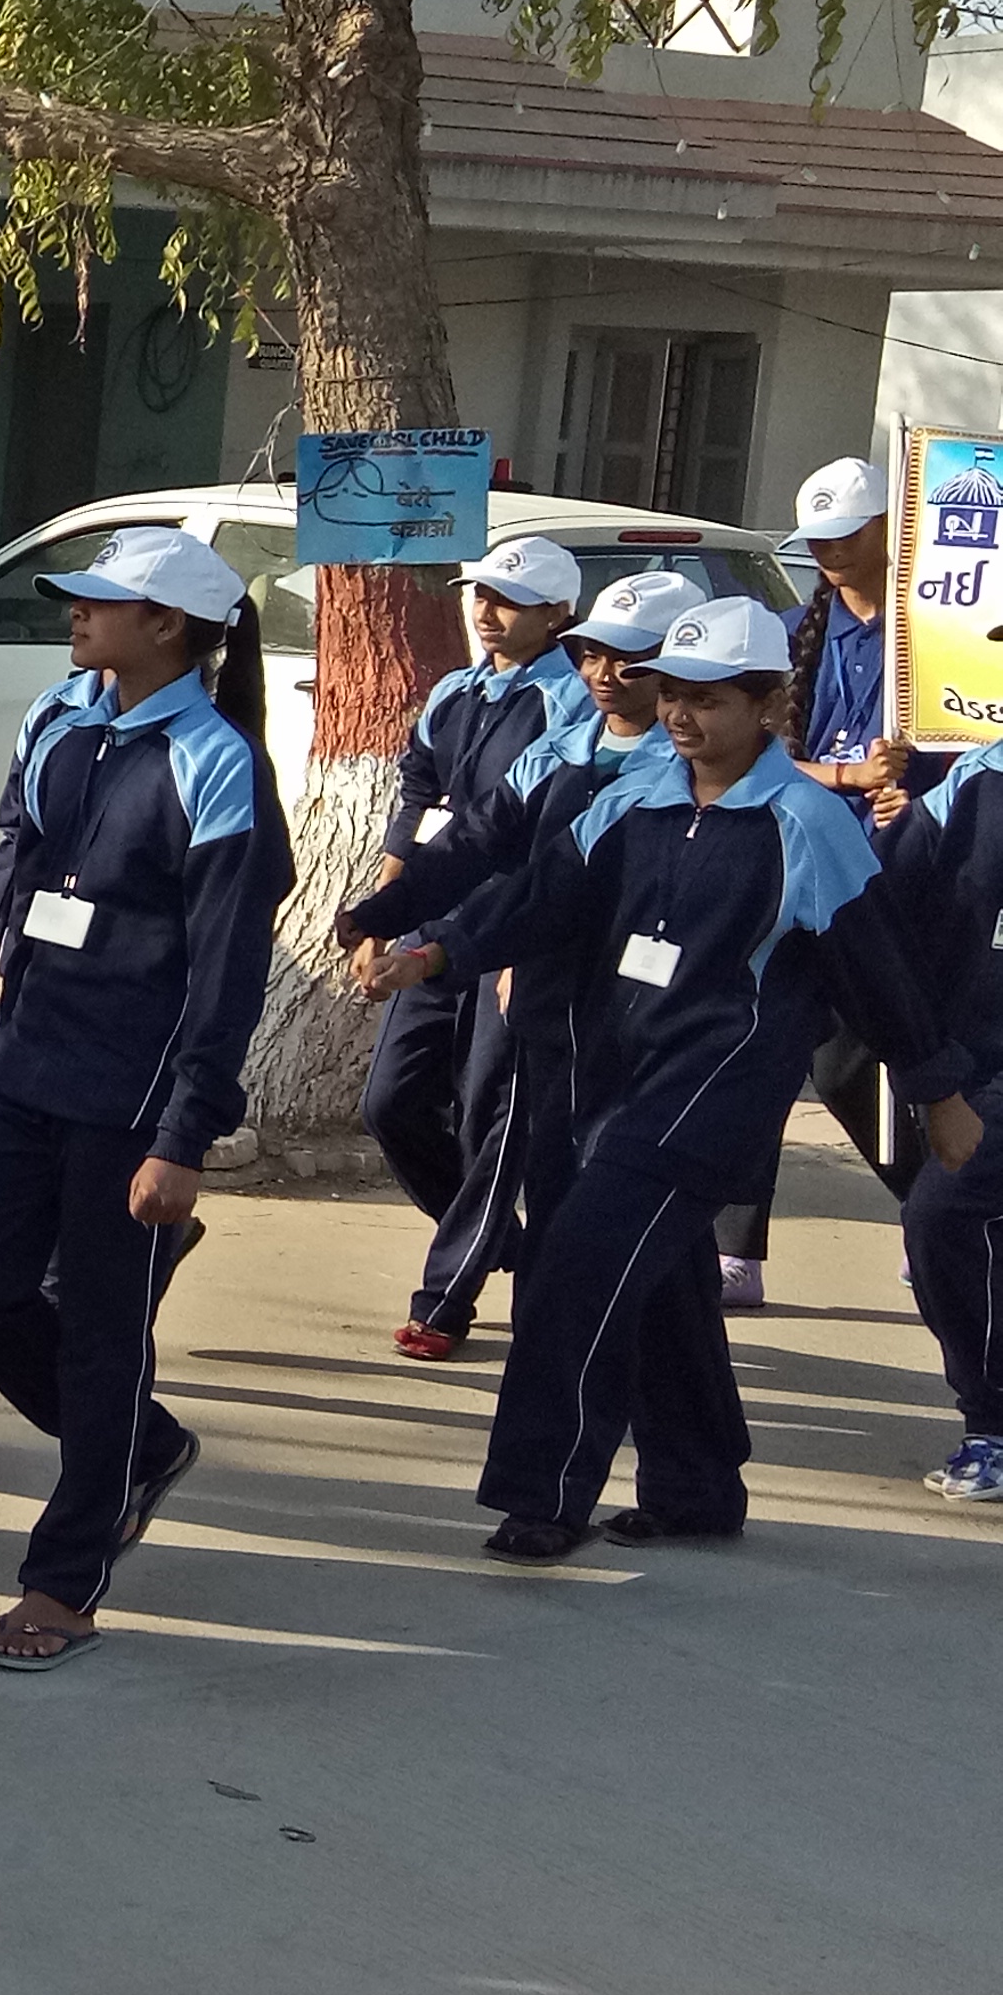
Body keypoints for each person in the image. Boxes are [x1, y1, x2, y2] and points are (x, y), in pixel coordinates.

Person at [360, 595, 976, 1559]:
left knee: (577, 1267)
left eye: (710, 699)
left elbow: (878, 970)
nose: (684, 716)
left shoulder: (809, 822)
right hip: (613, 1081)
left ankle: (544, 1496)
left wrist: (938, 1093)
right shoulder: (632, 798)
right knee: (662, 1286)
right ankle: (696, 1490)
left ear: (767, 706)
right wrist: (435, 948)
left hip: (715, 1093)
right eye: (676, 694)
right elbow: (540, 899)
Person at [0, 526, 289, 1672]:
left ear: (167, 627)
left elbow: (226, 970)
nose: (74, 614)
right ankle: (138, 1444)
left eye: (98, 601)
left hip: (127, 1094)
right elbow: (24, 844)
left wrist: (183, 1134)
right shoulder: (59, 715)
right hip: (27, 1061)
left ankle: (63, 1583)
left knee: (98, 1335)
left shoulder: (216, 761)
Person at [338, 566, 690, 1353]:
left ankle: (477, 1308)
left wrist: (449, 953)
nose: (604, 673)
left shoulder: (682, 771)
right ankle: (541, 1329)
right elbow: (475, 838)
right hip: (542, 987)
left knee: (618, 1205)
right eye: (594, 653)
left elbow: (551, 888)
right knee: (493, 1142)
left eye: (631, 659)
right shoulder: (566, 746)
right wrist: (383, 914)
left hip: (638, 1022)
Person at [359, 535, 587, 1353]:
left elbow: (550, 840)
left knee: (493, 1114)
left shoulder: (570, 703)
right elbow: (419, 795)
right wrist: (384, 912)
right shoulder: (455, 691)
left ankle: (444, 1300)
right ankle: (499, 1240)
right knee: (389, 1102)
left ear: (558, 614)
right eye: (480, 595)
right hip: (430, 923)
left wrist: (523, 949)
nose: (487, 613)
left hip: (507, 932)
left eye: (509, 600)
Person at [719, 455, 933, 1306]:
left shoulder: (936, 641)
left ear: (890, 528)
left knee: (858, 1063)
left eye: (846, 535)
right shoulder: (787, 634)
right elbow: (749, 755)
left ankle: (937, 1211)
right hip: (790, 872)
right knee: (756, 1053)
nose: (830, 552)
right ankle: (736, 1249)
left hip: (897, 879)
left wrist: (915, 789)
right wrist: (847, 777)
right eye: (817, 540)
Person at [889, 727, 1003, 1503]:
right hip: (977, 1063)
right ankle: (990, 1422)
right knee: (941, 1218)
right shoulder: (975, 780)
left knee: (946, 1214)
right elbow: (876, 894)